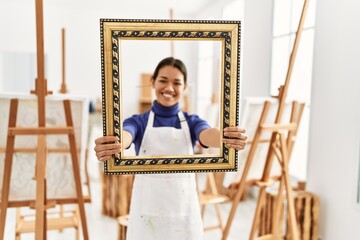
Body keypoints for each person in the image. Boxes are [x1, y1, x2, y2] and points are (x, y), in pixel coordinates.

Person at [94, 57, 247, 240]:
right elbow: (126, 135)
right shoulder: (138, 122)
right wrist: (114, 143)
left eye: (176, 83)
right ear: (152, 82)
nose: (169, 88)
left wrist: (224, 137)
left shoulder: (192, 122)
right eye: (163, 81)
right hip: (146, 216)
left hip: (183, 217)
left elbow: (207, 134)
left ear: (185, 87)